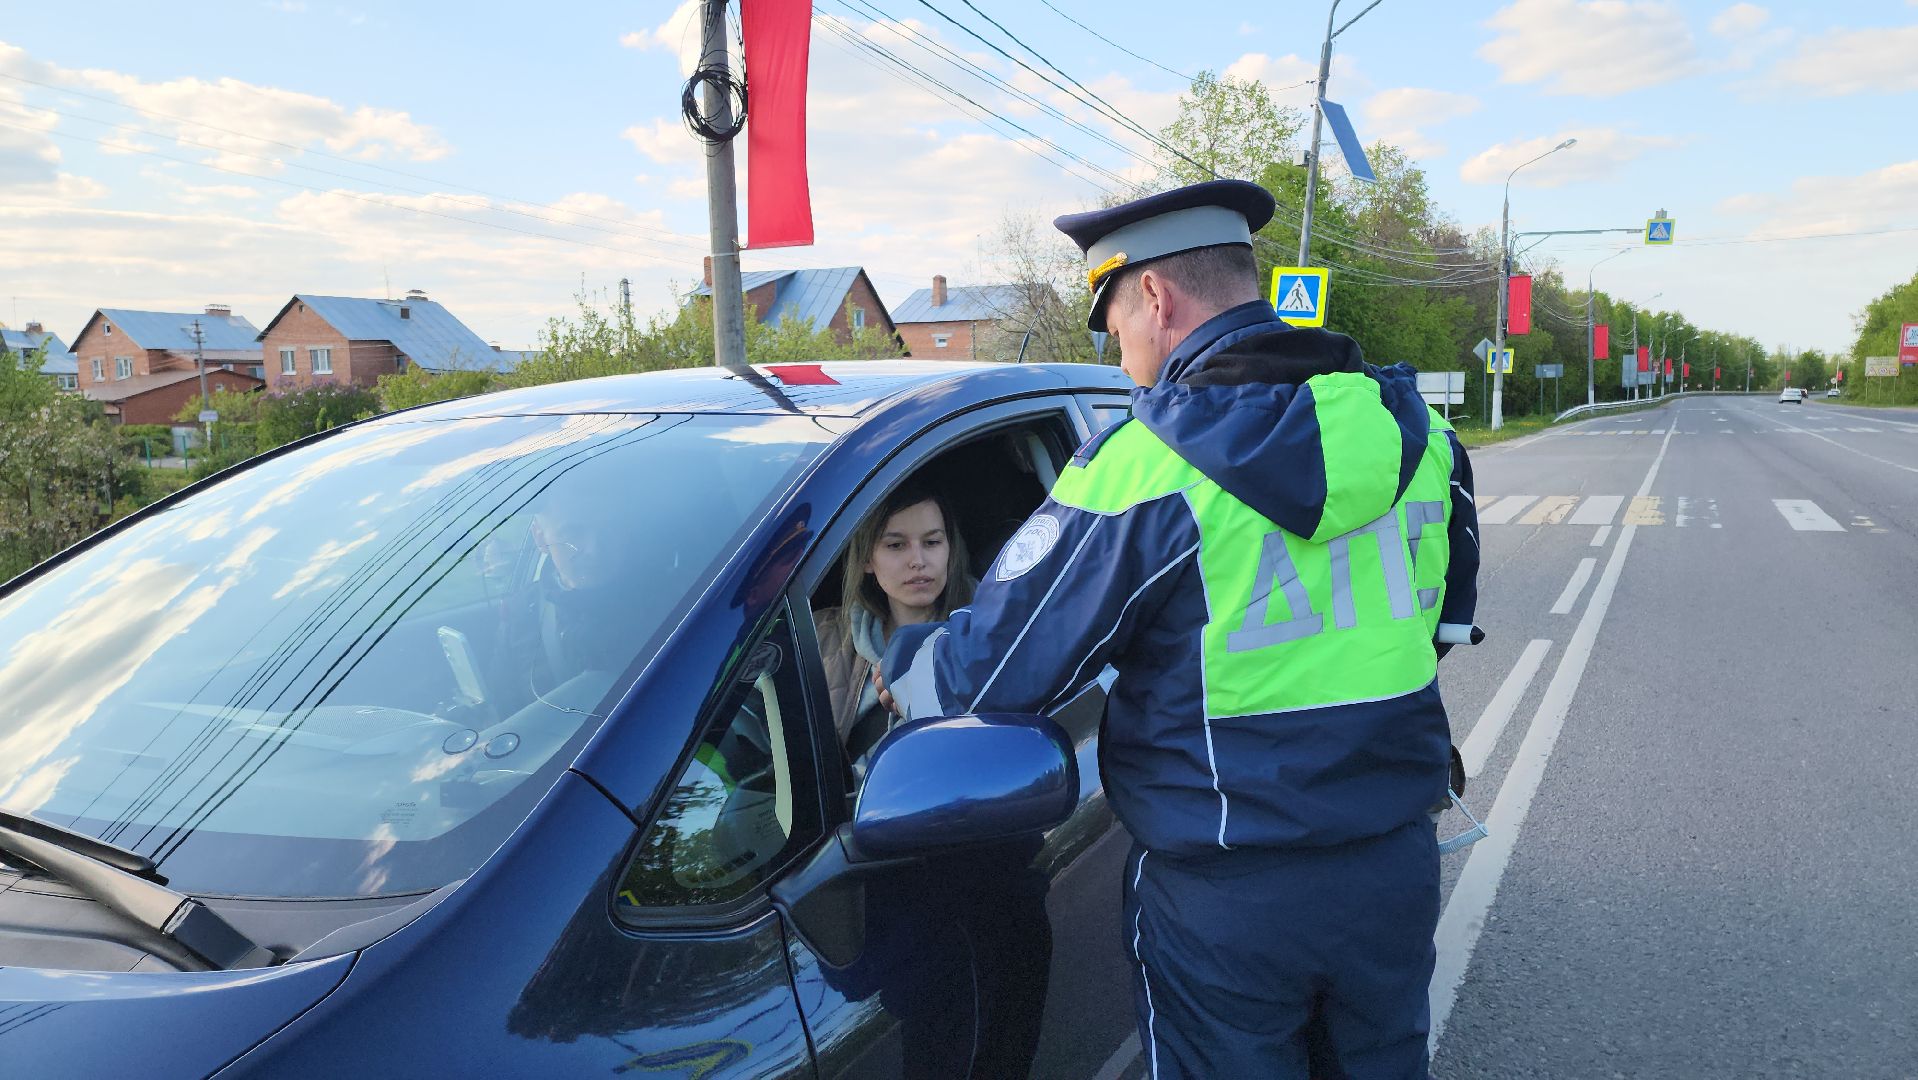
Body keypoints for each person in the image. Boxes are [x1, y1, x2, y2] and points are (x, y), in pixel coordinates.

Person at [882, 178, 1482, 1078]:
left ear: (1156, 296)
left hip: (1226, 897)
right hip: (1391, 870)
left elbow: (991, 674)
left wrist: (896, 667)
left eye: (1114, 324)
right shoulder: (1425, 439)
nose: (1122, 358)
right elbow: (1439, 627)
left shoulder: (1143, 467)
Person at [815, 482, 972, 769]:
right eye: (896, 545)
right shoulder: (820, 637)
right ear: (866, 559)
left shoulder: (986, 640)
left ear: (950, 548)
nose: (918, 561)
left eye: (932, 542)